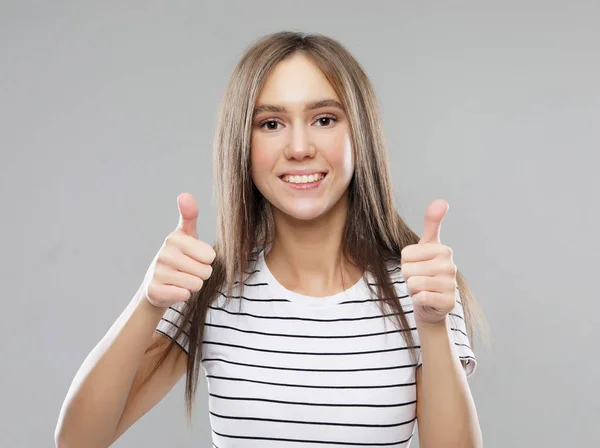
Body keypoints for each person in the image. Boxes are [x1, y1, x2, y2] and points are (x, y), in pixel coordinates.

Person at [55, 31, 485, 448]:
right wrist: (148, 301)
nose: (299, 147)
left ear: (361, 135)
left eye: (324, 119)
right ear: (242, 142)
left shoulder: (422, 287)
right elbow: (77, 440)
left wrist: (432, 324)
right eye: (271, 123)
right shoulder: (210, 288)